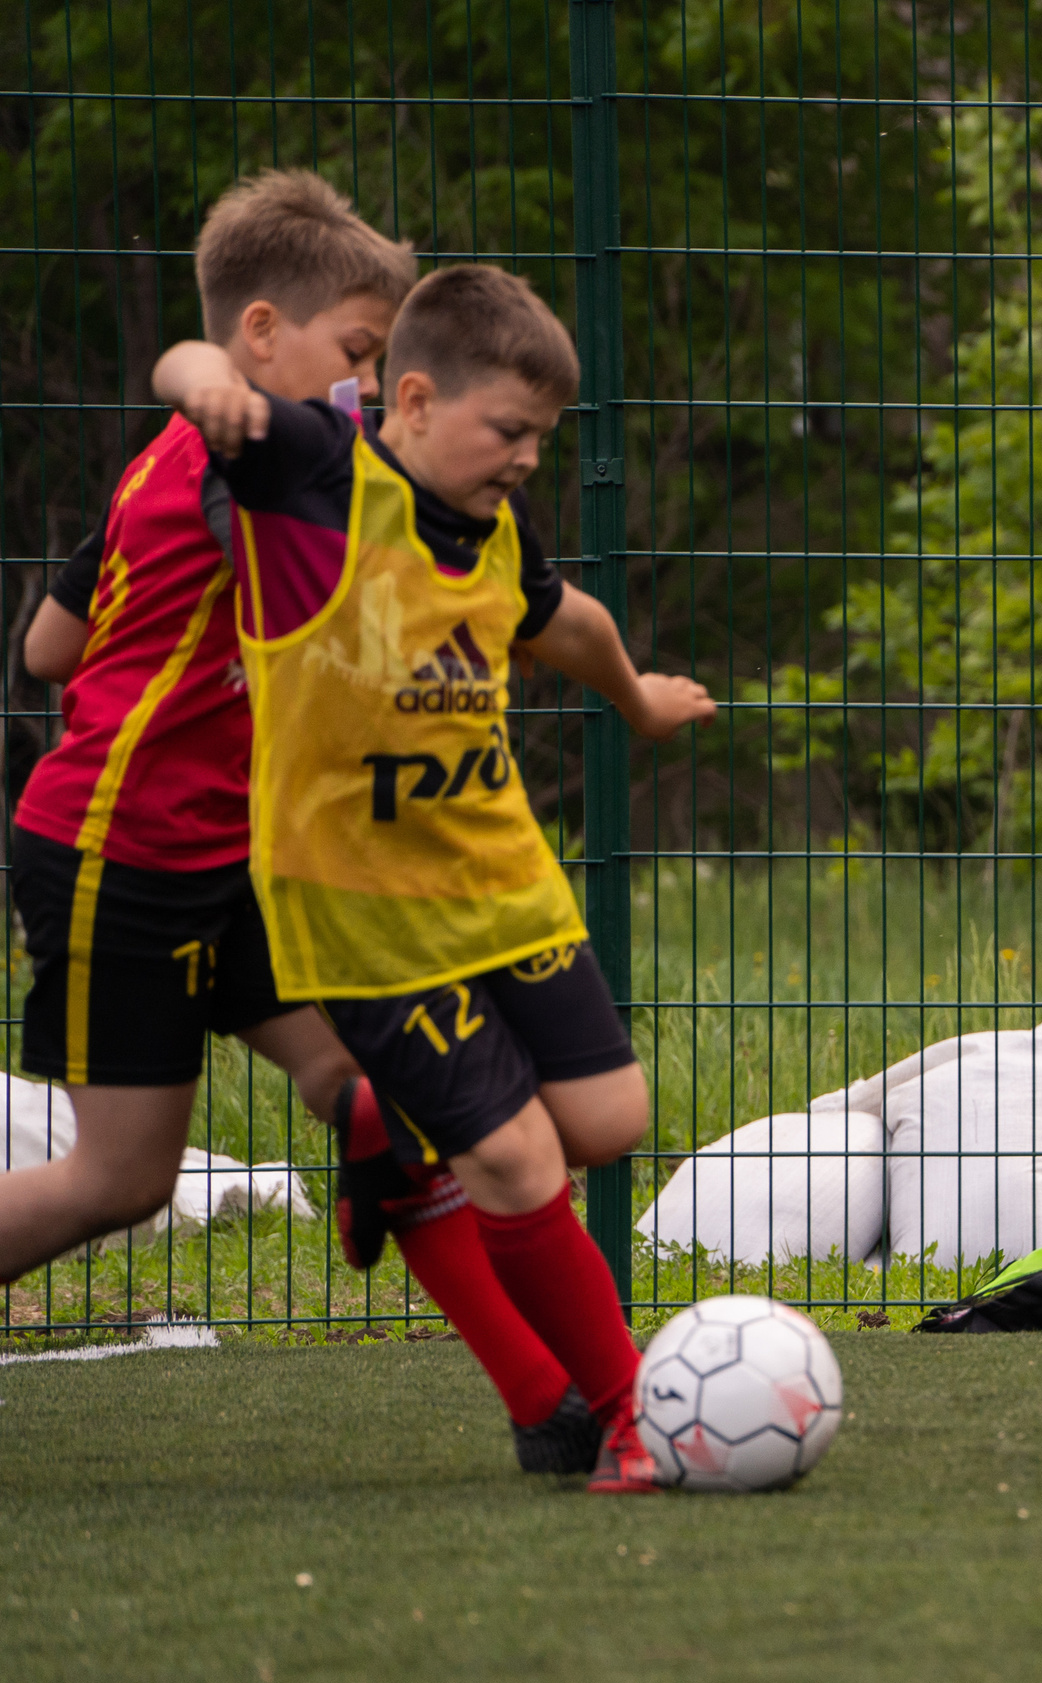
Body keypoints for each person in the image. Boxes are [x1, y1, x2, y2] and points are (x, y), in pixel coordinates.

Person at [2, 172, 601, 1474]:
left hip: (252, 855)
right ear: (260, 339)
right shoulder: (262, 475)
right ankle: (548, 1392)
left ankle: (543, 1401)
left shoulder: (179, 462)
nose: (372, 385)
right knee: (122, 1181)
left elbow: (46, 646)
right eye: (359, 356)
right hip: (127, 855)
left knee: (378, 1088)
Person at [153, 263, 717, 1491]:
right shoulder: (312, 476)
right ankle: (630, 1416)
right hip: (362, 920)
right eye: (507, 431)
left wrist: (637, 699)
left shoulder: (494, 520)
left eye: (542, 438)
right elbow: (177, 370)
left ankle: (396, 1146)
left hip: (502, 884)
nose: (527, 458)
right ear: (409, 399)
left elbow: (559, 620)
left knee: (609, 1126)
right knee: (515, 1164)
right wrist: (210, 384)